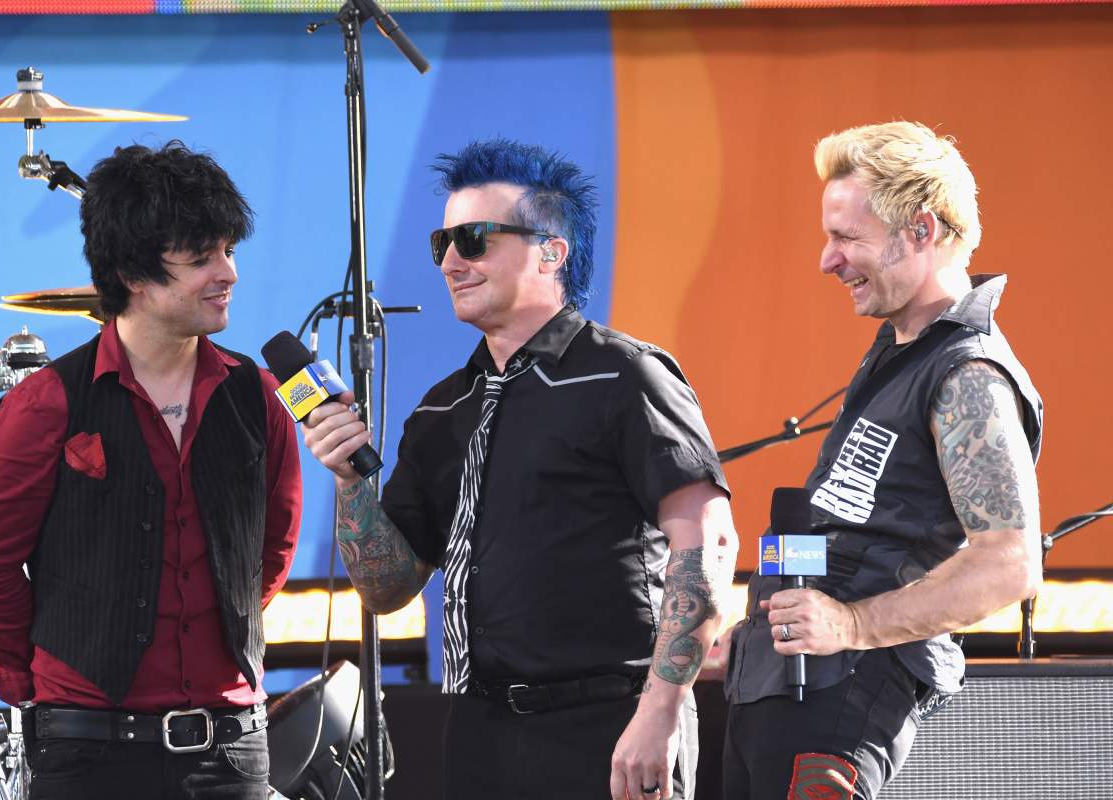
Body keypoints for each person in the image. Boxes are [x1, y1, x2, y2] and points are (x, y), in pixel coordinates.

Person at [303, 138, 737, 800]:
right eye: (441, 243)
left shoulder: (624, 373)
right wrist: (348, 480)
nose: (451, 261)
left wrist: (661, 711)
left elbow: (707, 542)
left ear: (550, 252)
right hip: (481, 728)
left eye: (474, 239)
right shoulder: (444, 407)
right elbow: (387, 589)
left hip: (611, 719)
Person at [0, 141, 302, 800]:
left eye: (230, 250)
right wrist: (31, 678)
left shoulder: (259, 399)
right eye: (202, 258)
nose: (227, 272)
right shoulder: (46, 403)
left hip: (232, 750)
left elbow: (272, 550)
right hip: (89, 752)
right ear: (134, 275)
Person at [721, 121, 1044, 800]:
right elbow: (846, 529)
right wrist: (758, 624)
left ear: (921, 231)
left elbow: (1009, 563)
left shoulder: (969, 373)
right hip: (783, 688)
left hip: (840, 696)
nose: (827, 260)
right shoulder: (902, 352)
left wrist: (853, 625)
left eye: (847, 238)